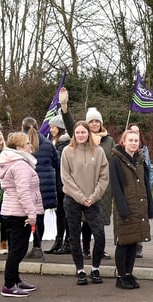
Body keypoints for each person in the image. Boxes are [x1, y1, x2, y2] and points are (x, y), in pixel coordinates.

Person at [59, 89, 113, 259]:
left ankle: (99, 249)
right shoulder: (79, 139)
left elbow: (110, 162)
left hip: (101, 188)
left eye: (97, 121)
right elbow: (71, 126)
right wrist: (64, 106)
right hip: (81, 189)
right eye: (92, 122)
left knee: (99, 221)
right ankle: (86, 249)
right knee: (84, 221)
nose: (95, 124)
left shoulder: (108, 140)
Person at [60, 120, 109, 285]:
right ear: (74, 134)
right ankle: (80, 270)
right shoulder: (67, 151)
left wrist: (93, 197)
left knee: (100, 235)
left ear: (89, 133)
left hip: (93, 200)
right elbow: (66, 178)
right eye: (77, 132)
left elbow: (104, 177)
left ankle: (95, 268)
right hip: (72, 199)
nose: (80, 135)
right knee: (74, 236)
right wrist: (81, 197)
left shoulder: (99, 151)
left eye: (83, 132)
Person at [0, 132, 43, 297]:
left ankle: (15, 280)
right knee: (18, 250)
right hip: (19, 213)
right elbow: (24, 192)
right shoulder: (20, 165)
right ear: (19, 148)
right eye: (28, 143)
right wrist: (32, 214)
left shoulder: (13, 162)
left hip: (11, 211)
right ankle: (9, 285)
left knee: (16, 249)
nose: (31, 146)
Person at [109, 129, 153, 289]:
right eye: (131, 140)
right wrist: (122, 209)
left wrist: (150, 207)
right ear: (124, 142)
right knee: (123, 243)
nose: (134, 143)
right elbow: (115, 187)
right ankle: (121, 276)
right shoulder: (116, 160)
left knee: (133, 242)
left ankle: (129, 274)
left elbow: (146, 186)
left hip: (139, 207)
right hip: (125, 208)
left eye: (136, 140)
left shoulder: (140, 160)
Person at [22, 117, 59, 261]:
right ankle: (37, 246)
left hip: (27, 184)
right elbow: (56, 163)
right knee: (40, 217)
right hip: (45, 186)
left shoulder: (20, 144)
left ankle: (22, 246)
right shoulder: (48, 144)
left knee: (25, 217)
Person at [46, 114, 71, 254]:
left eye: (53, 127)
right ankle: (59, 240)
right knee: (59, 214)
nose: (50, 130)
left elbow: (60, 163)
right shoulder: (56, 143)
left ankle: (67, 241)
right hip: (57, 183)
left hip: (63, 184)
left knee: (65, 214)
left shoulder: (63, 145)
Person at [128, 123, 153, 259]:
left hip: (142, 188)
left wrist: (148, 185)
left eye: (137, 132)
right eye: (132, 131)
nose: (135, 134)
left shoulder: (144, 150)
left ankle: (139, 246)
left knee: (141, 217)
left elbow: (148, 169)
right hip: (130, 189)